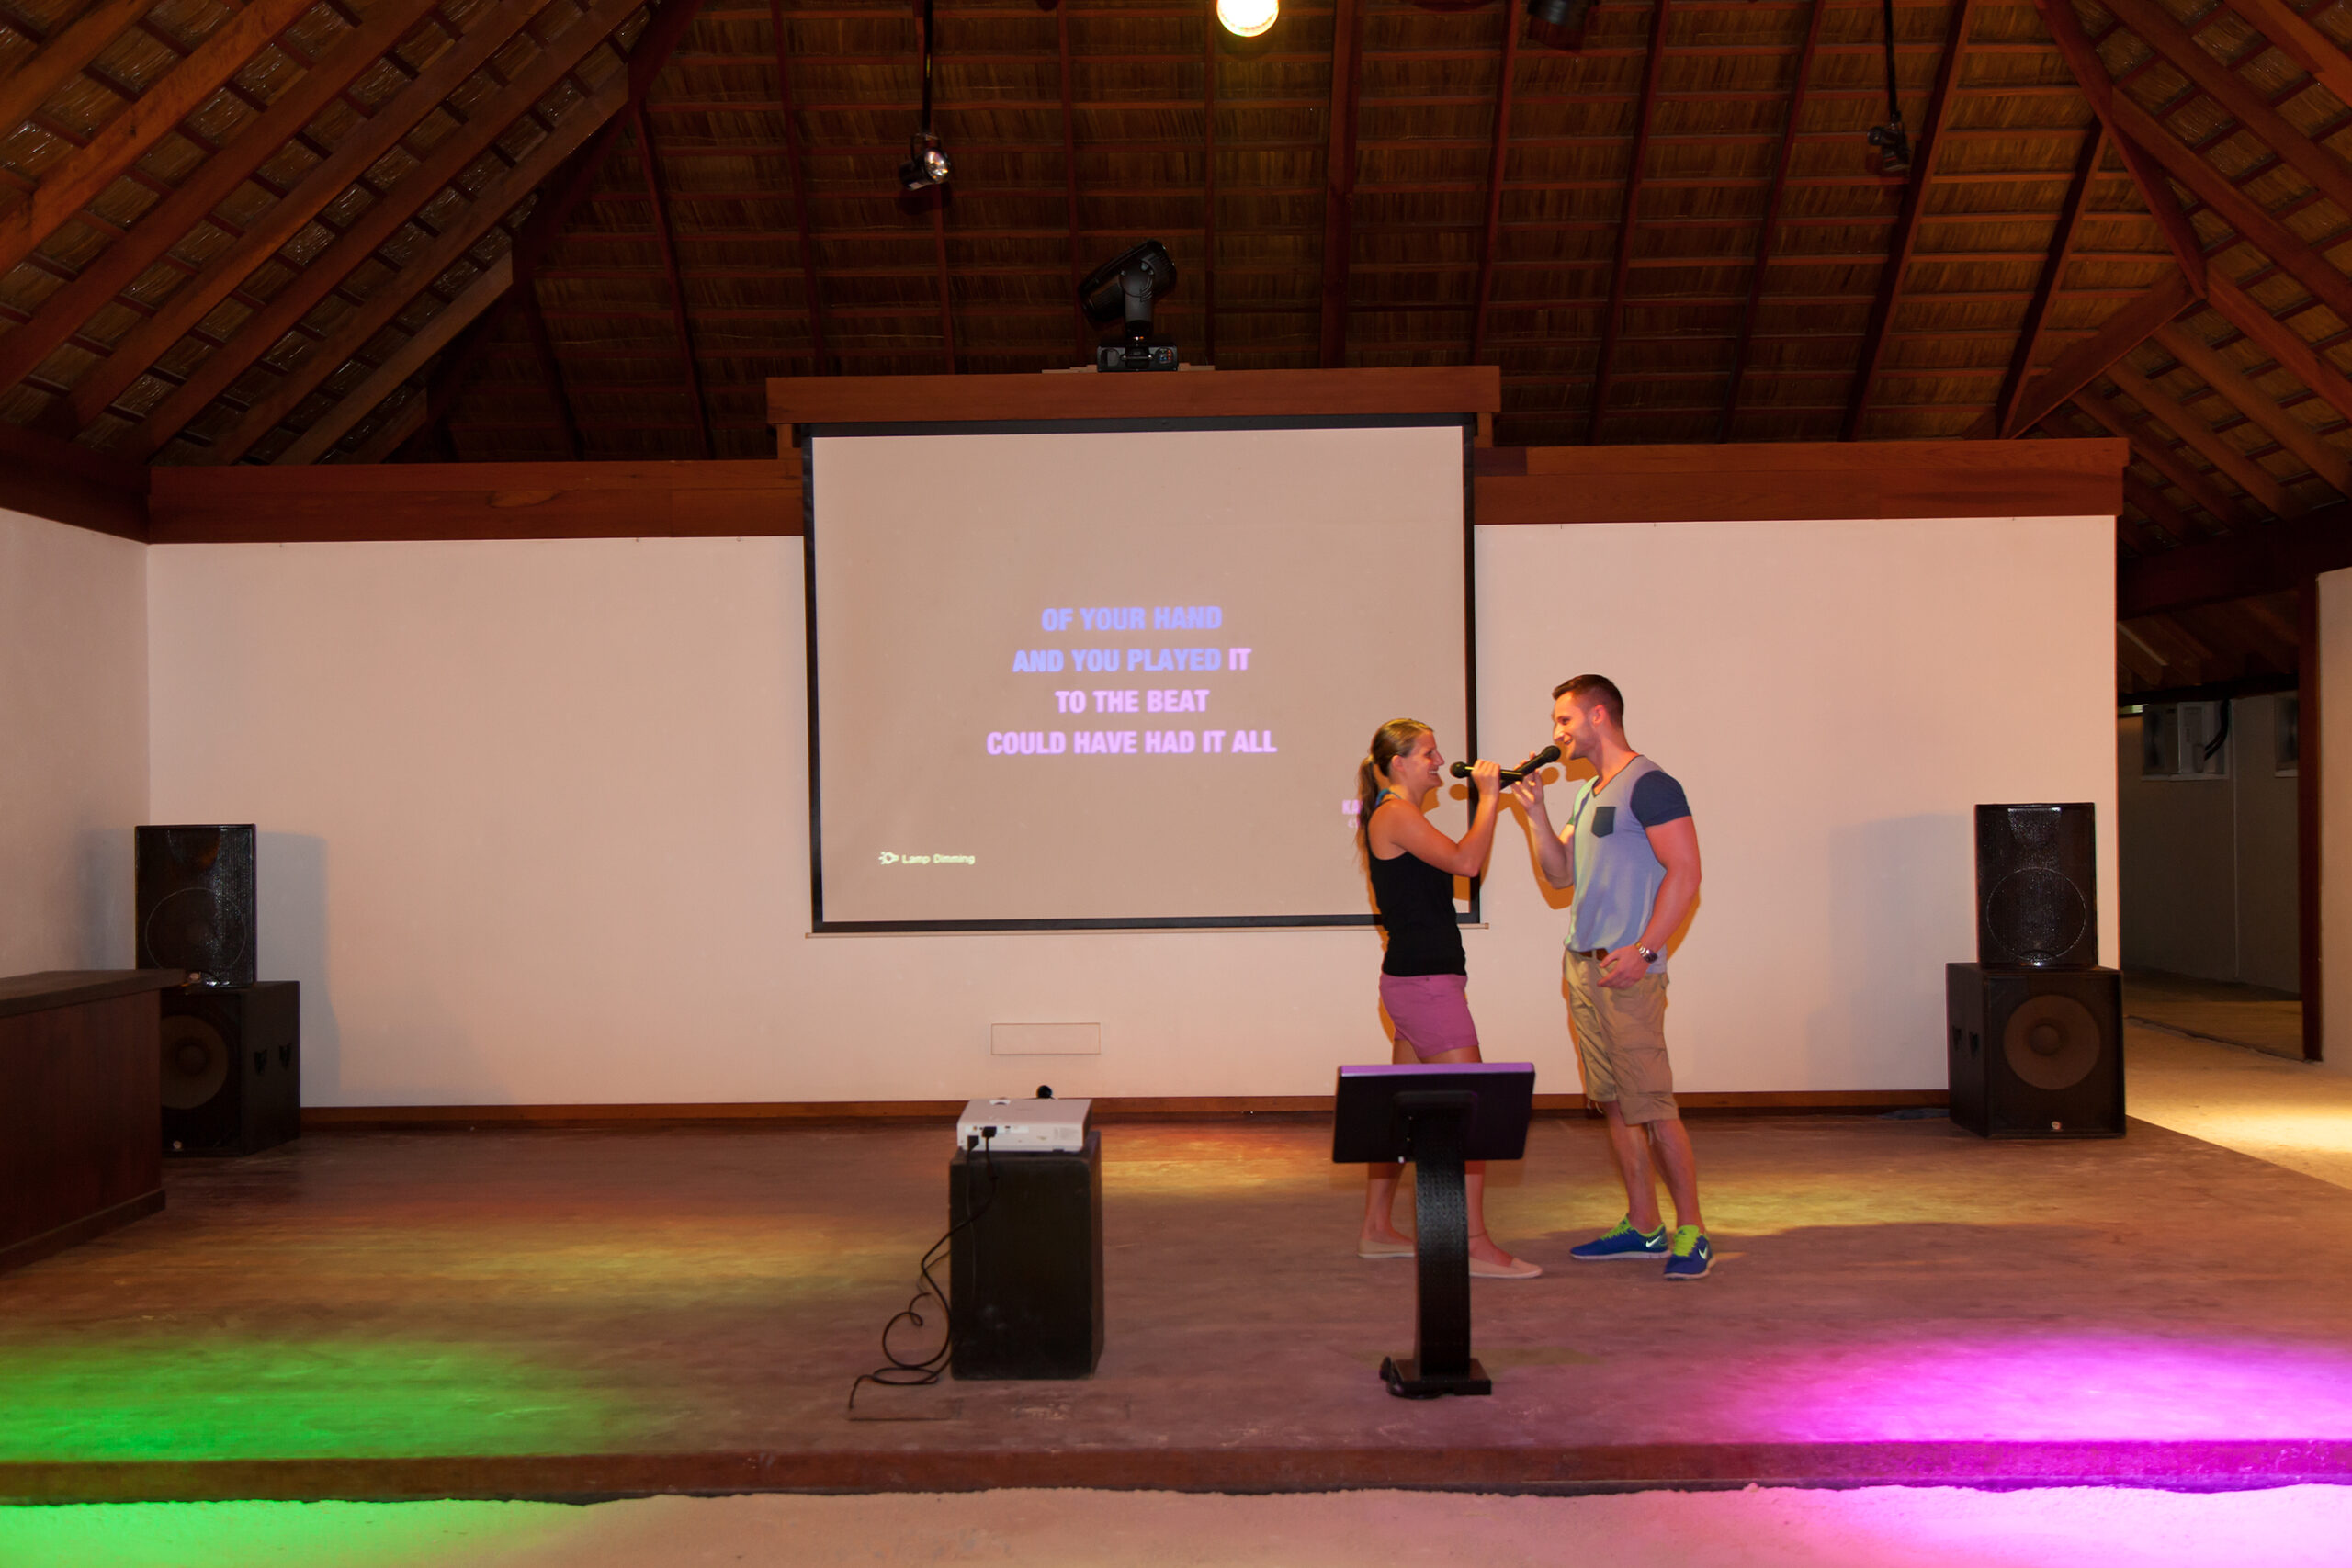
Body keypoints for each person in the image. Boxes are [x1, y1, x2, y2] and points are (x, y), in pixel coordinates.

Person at [1509, 675, 1710, 1280]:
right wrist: (1537, 815)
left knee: (1653, 1103)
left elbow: (1687, 872)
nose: (1557, 733)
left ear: (1600, 715)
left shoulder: (1650, 784)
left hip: (1629, 970)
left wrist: (1646, 950)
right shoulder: (1589, 792)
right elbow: (1559, 872)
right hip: (1584, 964)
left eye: (1564, 720)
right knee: (1616, 1102)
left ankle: (1692, 1229)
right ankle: (1644, 1224)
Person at [1353, 717, 1541, 1280]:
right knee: (1473, 1108)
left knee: (1401, 1113)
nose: (1440, 761)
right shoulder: (1395, 814)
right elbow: (1466, 863)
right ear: (1398, 763)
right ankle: (1473, 1243)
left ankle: (1377, 1230)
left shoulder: (1399, 815)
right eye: (1429, 753)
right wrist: (1489, 799)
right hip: (1425, 986)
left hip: (1415, 983)